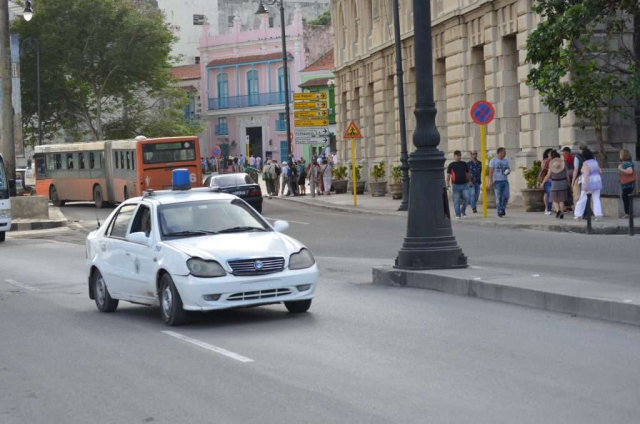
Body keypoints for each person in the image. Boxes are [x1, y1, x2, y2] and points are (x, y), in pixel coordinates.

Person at [574, 149, 603, 221]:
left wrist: (585, 184)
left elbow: (587, 174)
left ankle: (578, 215)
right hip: (597, 180)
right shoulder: (595, 162)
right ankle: (598, 215)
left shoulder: (585, 163)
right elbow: (601, 171)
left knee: (582, 198)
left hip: (589, 181)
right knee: (596, 198)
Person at [542, 151, 569, 219]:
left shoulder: (552, 166)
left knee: (554, 199)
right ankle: (562, 213)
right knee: (561, 200)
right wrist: (569, 182)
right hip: (563, 183)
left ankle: (558, 210)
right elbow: (567, 175)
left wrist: (543, 182)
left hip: (555, 183)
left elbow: (548, 176)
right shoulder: (563, 164)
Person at [446, 150, 471, 219]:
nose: (459, 157)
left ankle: (463, 211)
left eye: (460, 155)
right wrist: (447, 184)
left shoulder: (464, 164)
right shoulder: (451, 165)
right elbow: (448, 175)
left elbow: (468, 173)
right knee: (456, 200)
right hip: (455, 185)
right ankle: (458, 214)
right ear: (454, 156)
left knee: (467, 198)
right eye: (457, 155)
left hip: (464, 184)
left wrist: (470, 181)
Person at [489, 147, 510, 218]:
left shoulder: (505, 161)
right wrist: (491, 181)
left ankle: (502, 208)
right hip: (497, 181)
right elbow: (491, 171)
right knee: (499, 197)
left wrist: (508, 171)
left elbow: (508, 168)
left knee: (506, 196)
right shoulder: (493, 160)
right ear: (500, 153)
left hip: (504, 180)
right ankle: (499, 211)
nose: (505, 153)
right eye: (504, 152)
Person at [618, 149, 636, 219]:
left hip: (628, 184)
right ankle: (629, 213)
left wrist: (620, 169)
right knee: (626, 198)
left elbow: (630, 171)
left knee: (626, 198)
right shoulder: (627, 163)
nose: (619, 155)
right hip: (627, 184)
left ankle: (628, 213)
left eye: (621, 154)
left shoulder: (627, 163)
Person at [540, 148, 553, 215]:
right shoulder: (546, 161)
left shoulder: (548, 161)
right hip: (547, 178)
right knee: (548, 193)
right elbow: (543, 170)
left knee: (547, 193)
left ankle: (547, 208)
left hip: (547, 179)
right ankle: (547, 207)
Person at [561, 147, 574, 212]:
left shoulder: (567, 159)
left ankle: (568, 206)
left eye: (564, 153)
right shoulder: (572, 158)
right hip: (571, 175)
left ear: (567, 153)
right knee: (569, 192)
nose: (563, 154)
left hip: (568, 176)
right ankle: (569, 206)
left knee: (568, 192)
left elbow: (565, 168)